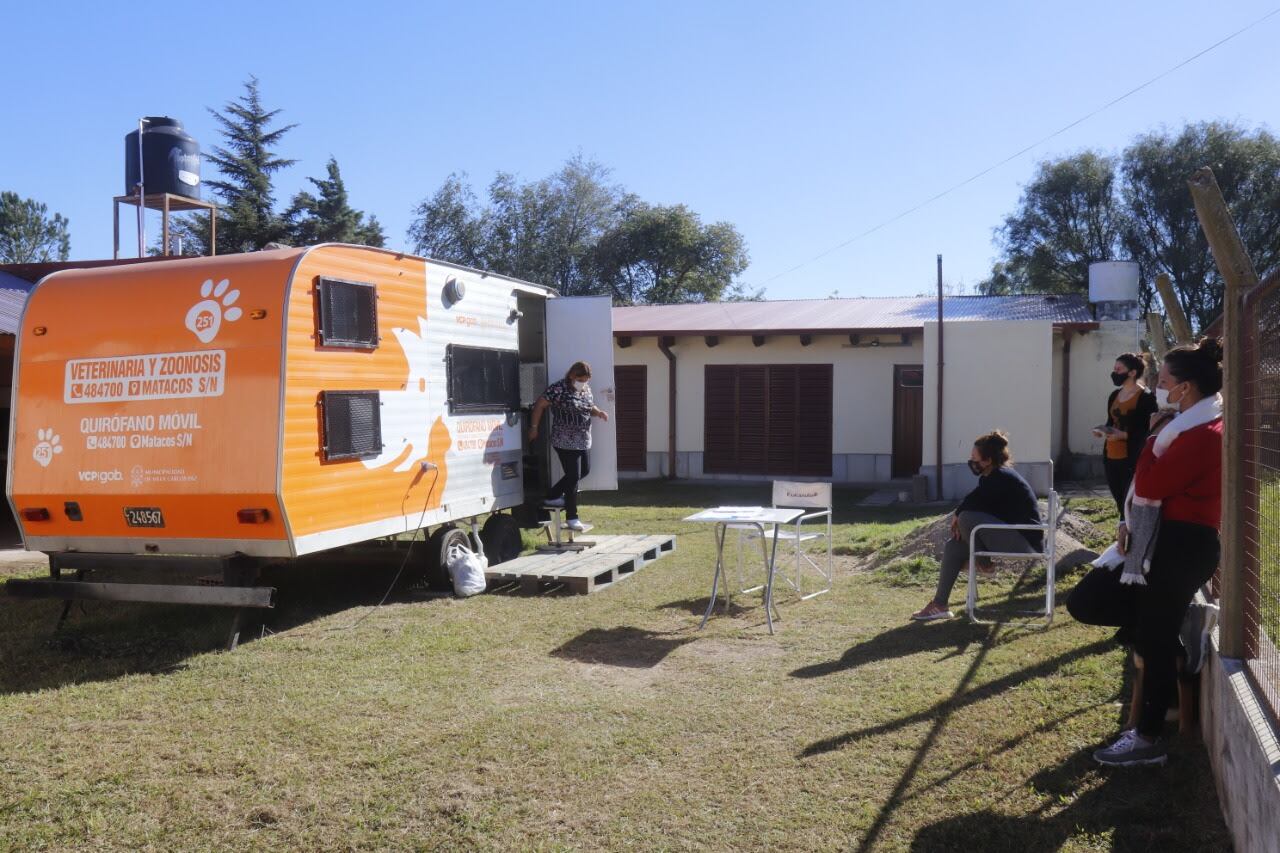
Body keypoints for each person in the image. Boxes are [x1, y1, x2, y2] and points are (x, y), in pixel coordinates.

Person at [1066, 337, 1223, 767]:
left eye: (1165, 379)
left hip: (1183, 545)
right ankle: (1171, 655)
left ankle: (1149, 737)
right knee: (1089, 601)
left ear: (1185, 388)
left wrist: (1153, 435)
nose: (1159, 386)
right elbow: (1147, 486)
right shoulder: (1184, 427)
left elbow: (1151, 483)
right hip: (1158, 542)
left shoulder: (1204, 434)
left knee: (1152, 634)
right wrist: (1128, 524)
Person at [911, 430, 1043, 621]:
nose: (971, 461)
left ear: (988, 460)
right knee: (953, 547)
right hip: (1006, 534)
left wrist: (958, 515)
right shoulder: (990, 477)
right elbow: (975, 499)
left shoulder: (1002, 477)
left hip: (1024, 541)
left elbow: (972, 504)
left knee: (966, 517)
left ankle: (984, 564)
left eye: (974, 458)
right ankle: (940, 605)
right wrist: (960, 519)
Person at [528, 361, 609, 531]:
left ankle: (551, 496)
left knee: (584, 471)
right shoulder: (558, 388)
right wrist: (534, 428)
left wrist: (598, 412)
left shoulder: (586, 388)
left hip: (583, 439)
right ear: (572, 375)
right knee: (573, 476)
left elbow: (588, 405)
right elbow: (539, 406)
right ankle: (572, 517)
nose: (583, 382)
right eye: (581, 378)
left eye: (586, 379)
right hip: (564, 439)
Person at [1092, 353, 1158, 519]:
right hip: (1111, 455)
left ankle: (1128, 533)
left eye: (1118, 369)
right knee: (1119, 500)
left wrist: (1123, 435)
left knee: (1129, 502)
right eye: (1114, 369)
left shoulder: (1146, 398)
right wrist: (1102, 430)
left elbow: (1147, 430)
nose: (1114, 372)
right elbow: (1110, 421)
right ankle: (1123, 531)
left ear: (1132, 373)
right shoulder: (1114, 396)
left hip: (1132, 457)